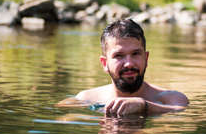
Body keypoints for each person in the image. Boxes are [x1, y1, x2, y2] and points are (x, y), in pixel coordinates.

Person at [57, 19, 188, 116]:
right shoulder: (87, 98)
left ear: (146, 58)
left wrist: (144, 106)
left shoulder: (170, 99)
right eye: (119, 55)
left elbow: (180, 113)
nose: (129, 63)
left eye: (135, 54)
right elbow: (60, 113)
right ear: (104, 63)